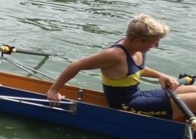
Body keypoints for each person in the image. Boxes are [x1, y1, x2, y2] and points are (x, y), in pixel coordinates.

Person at [46, 14, 196, 119]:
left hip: (139, 96)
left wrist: (160, 76)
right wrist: (54, 90)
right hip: (127, 106)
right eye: (154, 41)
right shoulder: (114, 55)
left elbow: (135, 69)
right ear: (137, 41)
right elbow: (76, 65)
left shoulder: (135, 49)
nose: (157, 45)